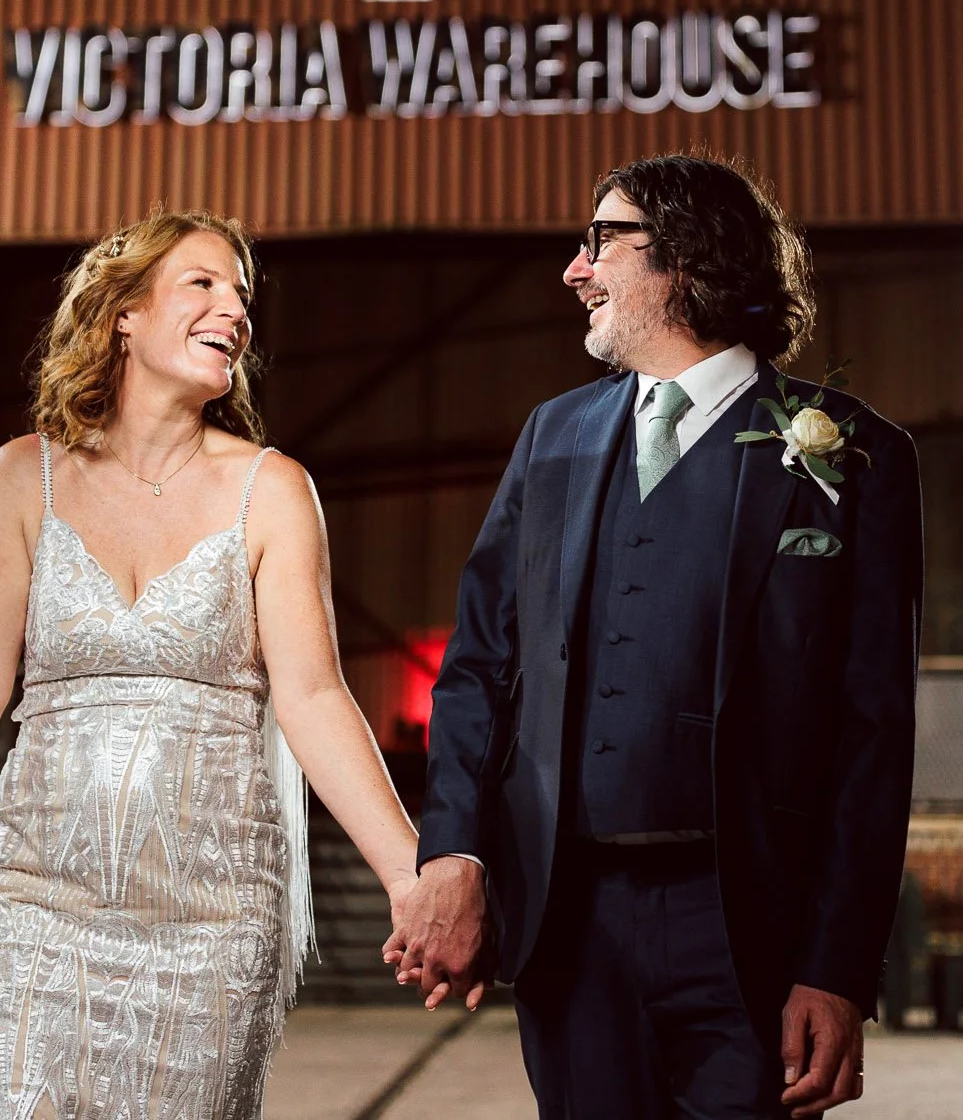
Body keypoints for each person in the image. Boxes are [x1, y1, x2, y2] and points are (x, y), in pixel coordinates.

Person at [0, 210, 427, 1118]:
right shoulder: (23, 476)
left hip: (212, 925)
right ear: (124, 315)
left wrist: (410, 876)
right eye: (203, 283)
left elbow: (313, 695)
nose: (235, 310)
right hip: (33, 907)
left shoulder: (273, 490)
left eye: (242, 295)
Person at [387, 155, 922, 1119]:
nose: (575, 269)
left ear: (685, 252)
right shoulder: (552, 436)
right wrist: (453, 853)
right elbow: (478, 669)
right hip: (569, 924)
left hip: (751, 930)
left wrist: (838, 968)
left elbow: (872, 737)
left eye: (602, 240)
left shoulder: (853, 451)